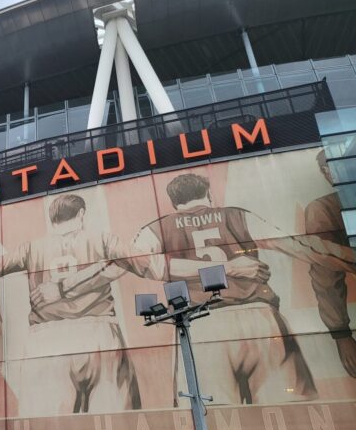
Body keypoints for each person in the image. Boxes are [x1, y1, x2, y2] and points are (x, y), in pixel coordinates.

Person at [134, 173, 356, 404]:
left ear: (174, 203)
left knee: (213, 417)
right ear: (208, 195)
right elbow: (299, 246)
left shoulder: (156, 229)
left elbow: (143, 264)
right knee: (289, 411)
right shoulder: (237, 215)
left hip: (199, 323)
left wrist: (220, 268)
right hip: (259, 317)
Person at [0, 193, 145, 415]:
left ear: (53, 220)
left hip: (46, 337)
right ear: (81, 214)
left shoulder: (31, 248)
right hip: (97, 329)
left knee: (46, 428)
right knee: (115, 421)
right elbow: (133, 260)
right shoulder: (102, 239)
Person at [304, 152, 356, 377]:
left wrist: (341, 334)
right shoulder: (325, 208)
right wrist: (341, 334)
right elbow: (325, 273)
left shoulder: (326, 207)